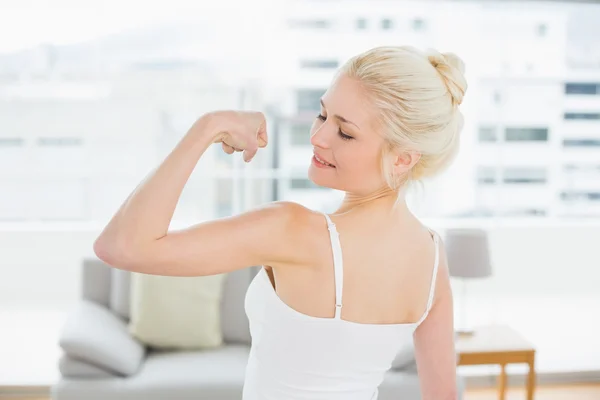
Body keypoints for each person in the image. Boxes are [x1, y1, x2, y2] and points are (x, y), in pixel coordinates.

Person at [94, 45, 467, 400]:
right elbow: (444, 395)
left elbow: (121, 246)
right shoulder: (432, 257)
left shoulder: (291, 230)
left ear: (403, 159)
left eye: (345, 132)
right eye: (322, 115)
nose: (318, 137)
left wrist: (209, 126)